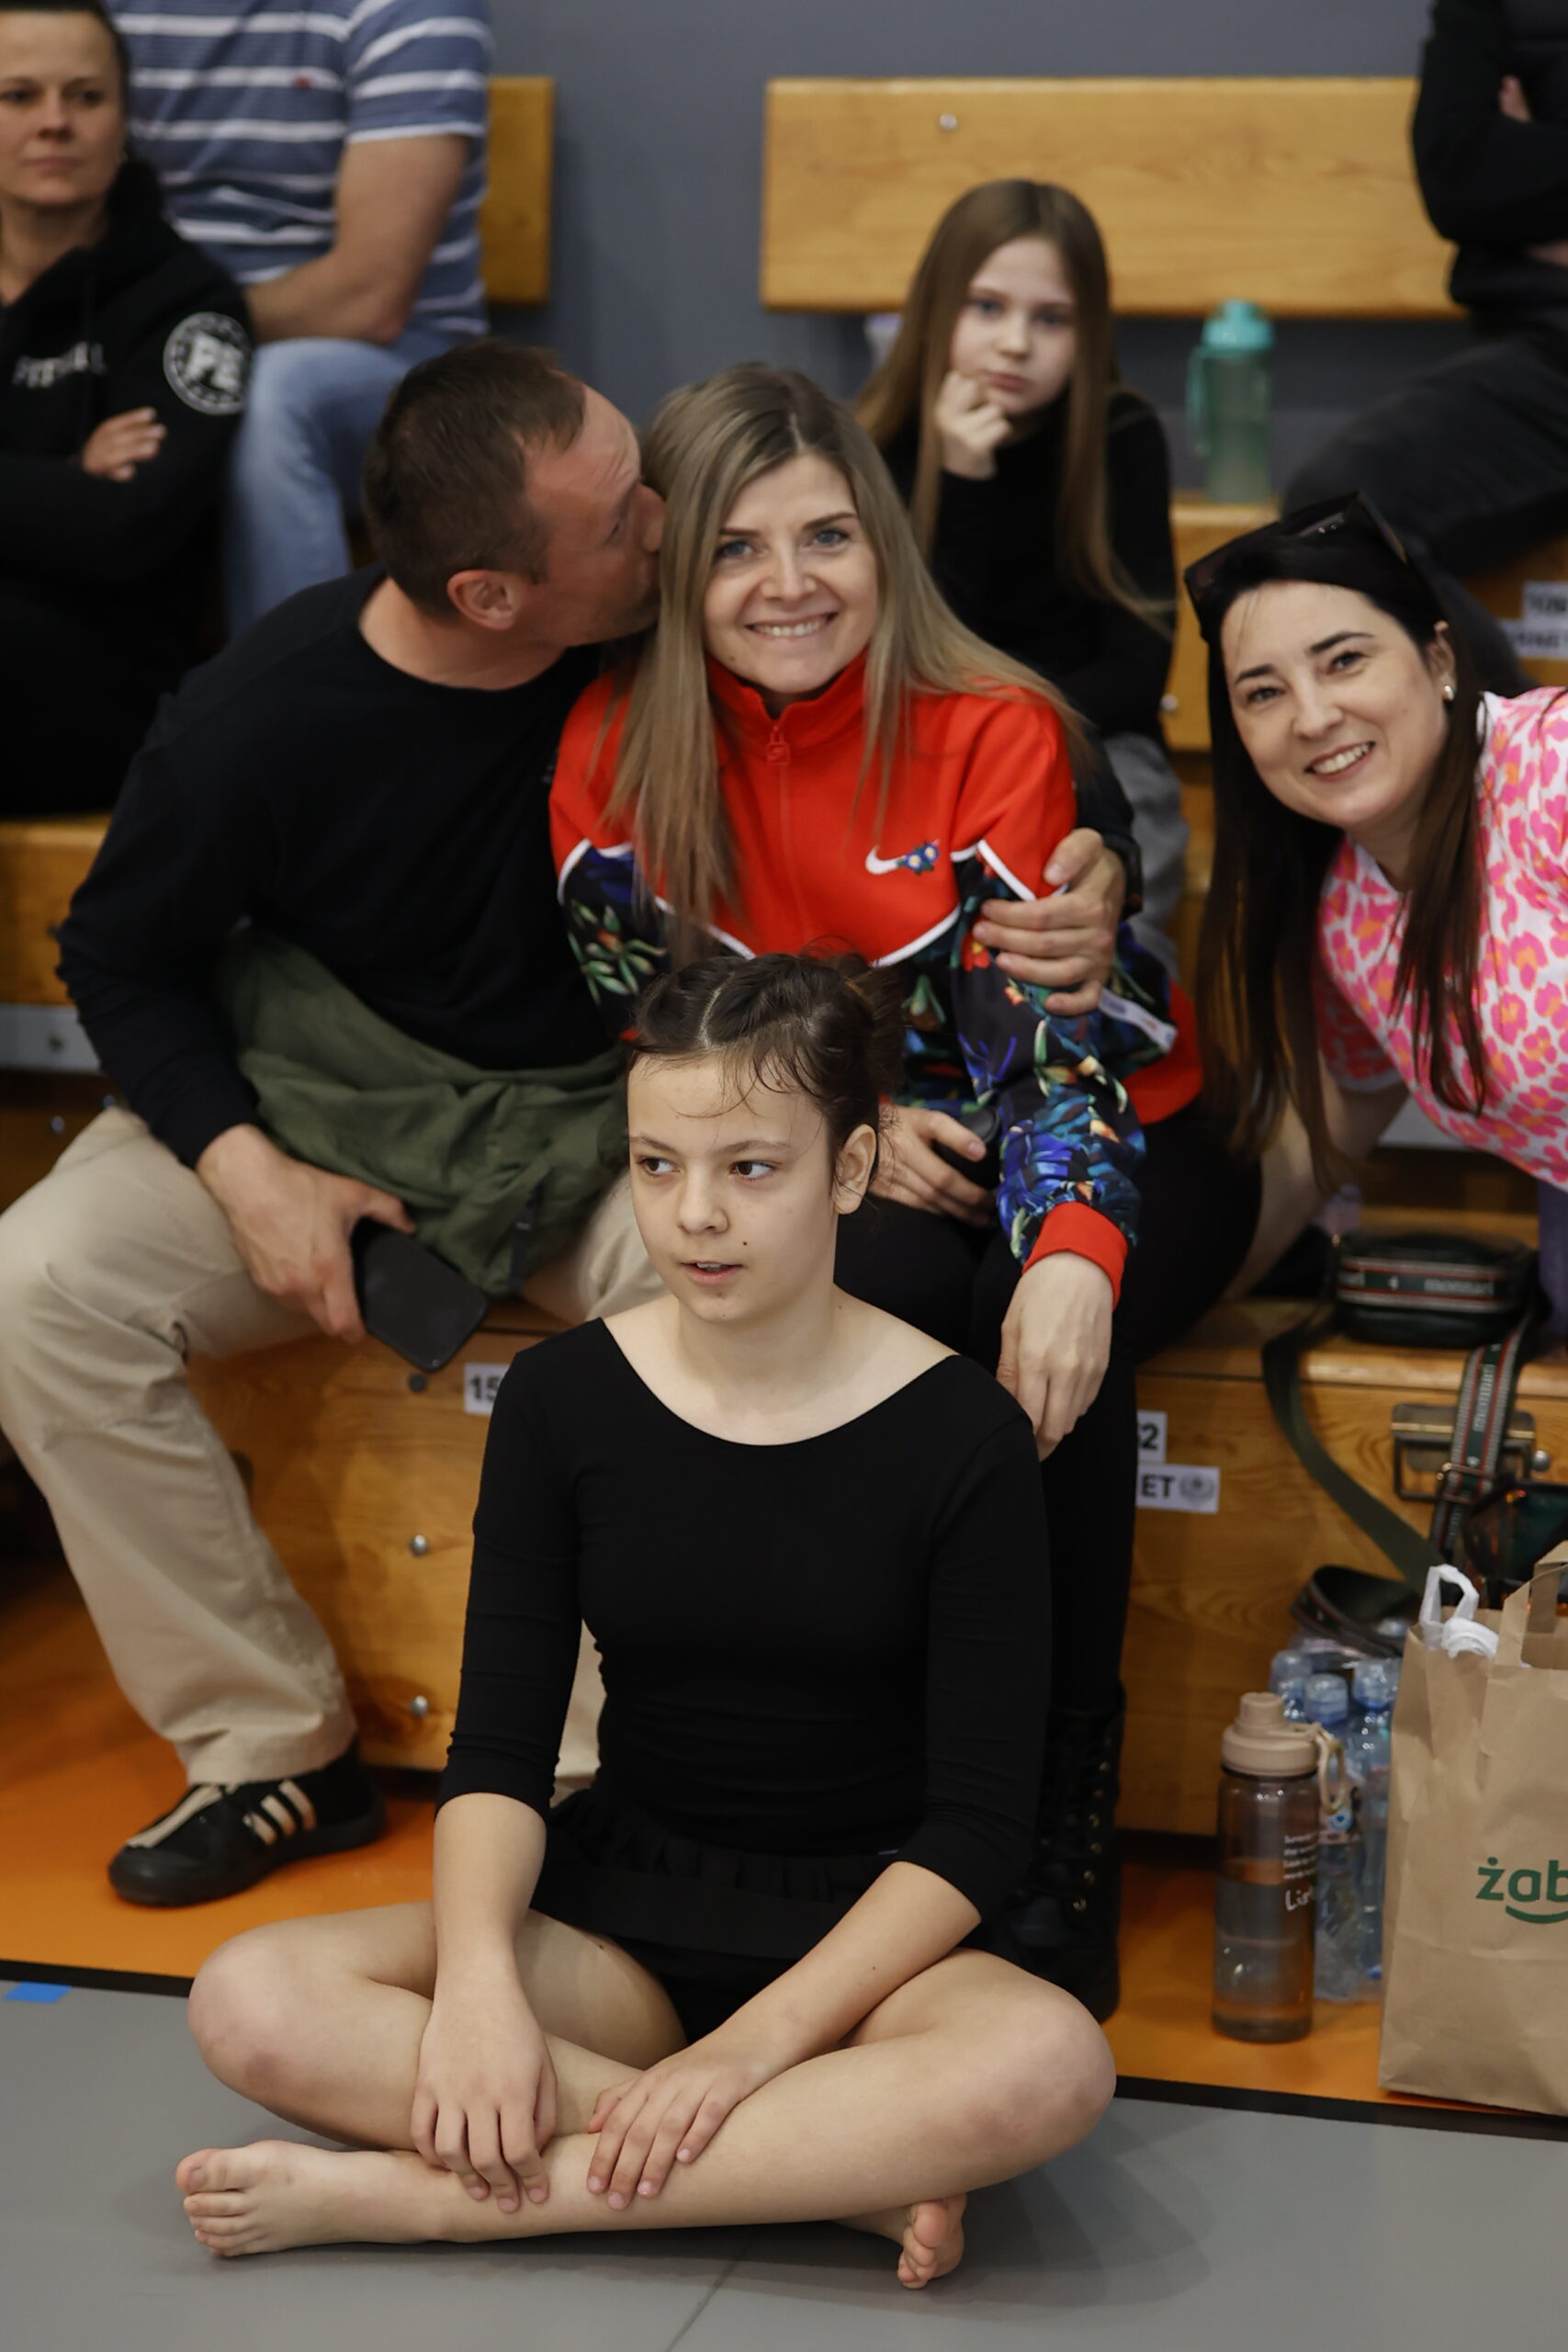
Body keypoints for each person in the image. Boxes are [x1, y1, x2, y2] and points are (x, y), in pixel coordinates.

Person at [173, 950, 1116, 2277]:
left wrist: (749, 2050)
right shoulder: (561, 1400)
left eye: (751, 1168)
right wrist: (481, 1994)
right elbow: (498, 1751)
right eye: (657, 1166)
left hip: (869, 1949)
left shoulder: (964, 1431)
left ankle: (437, 2201)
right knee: (252, 1999)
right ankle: (822, 2178)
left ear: (849, 1170)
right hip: (620, 1913)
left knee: (1048, 2065)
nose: (696, 1215)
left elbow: (976, 1830)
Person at [549, 363, 1261, 2019]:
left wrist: (1072, 1251)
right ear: (674, 570)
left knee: (1040, 1334)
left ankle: (1052, 1810)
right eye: (736, 548)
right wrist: (865, 1110)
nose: (788, 584)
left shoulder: (993, 728)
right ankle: (877, 1797)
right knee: (876, 1285)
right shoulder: (610, 748)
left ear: (880, 543)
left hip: (1115, 1130)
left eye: (825, 537)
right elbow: (651, 1022)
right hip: (877, 1144)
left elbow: (1053, 1058)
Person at [0, 341, 668, 1908]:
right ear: (490, 594)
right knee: (36, 1288)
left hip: (599, 1127)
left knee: (716, 1276)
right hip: (334, 1108)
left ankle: (590, 1791)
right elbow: (119, 958)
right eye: (621, 516)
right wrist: (251, 1175)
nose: (664, 521)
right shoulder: (255, 718)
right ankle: (270, 1743)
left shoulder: (669, 626)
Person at [1184, 492, 1568, 1331]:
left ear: (1438, 657)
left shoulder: (1553, 766)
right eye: (1263, 692)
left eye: (1344, 661)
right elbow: (1343, 1111)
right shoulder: (1346, 916)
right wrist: (1173, 1301)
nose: (1313, 716)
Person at [859, 178, 1188, 972]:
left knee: (1119, 892)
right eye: (986, 307)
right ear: (936, 307)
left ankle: (1131, 1025)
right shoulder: (877, 444)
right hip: (924, 744)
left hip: (1091, 741)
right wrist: (962, 484)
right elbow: (917, 660)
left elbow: (1136, 674)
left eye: (1051, 319)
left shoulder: (1121, 437)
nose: (1014, 343)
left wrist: (1014, 731)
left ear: (1087, 330)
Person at [110, 0, 491, 629]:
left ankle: (294, 685)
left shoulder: (404, 11)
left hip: (396, 366)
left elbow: (368, 299)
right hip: (155, 334)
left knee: (267, 398)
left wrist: (157, 335)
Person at [0, 0, 249, 813]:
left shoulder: (189, 302)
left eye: (85, 96)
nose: (54, 122)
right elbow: (83, 512)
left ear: (124, 120)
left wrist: (56, 492)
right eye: (17, 96)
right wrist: (65, 478)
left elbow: (128, 528)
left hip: (104, 678)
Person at [1283, 0, 1568, 696]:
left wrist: (1529, 158)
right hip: (1544, 358)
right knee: (1336, 511)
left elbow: (1492, 176)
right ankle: (1523, 747)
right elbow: (1460, 177)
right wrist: (1499, 171)